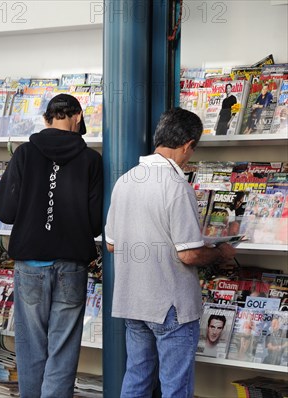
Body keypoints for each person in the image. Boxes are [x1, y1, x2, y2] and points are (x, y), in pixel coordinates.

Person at [105, 108, 236, 398]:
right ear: (188, 145)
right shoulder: (177, 186)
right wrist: (218, 252)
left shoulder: (124, 181)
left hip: (132, 301)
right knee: (175, 387)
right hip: (170, 305)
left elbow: (112, 244)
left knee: (137, 378)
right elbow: (189, 255)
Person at [0, 93, 103, 398]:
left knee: (30, 347)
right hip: (71, 265)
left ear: (46, 119)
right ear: (78, 117)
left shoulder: (25, 154)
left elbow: (5, 211)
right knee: (63, 349)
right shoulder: (91, 160)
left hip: (30, 264)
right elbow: (95, 222)